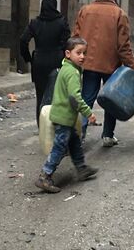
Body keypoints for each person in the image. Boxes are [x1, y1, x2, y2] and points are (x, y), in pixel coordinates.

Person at [73, 0, 134, 147]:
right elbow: (124, 45)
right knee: (111, 100)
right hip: (111, 65)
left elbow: (75, 37)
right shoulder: (119, 14)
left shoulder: (85, 11)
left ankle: (79, 136)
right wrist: (131, 67)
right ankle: (107, 136)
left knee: (86, 99)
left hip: (88, 64)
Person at [35, 37, 98, 193]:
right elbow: (74, 97)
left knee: (74, 142)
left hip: (64, 116)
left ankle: (81, 168)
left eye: (84, 53)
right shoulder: (72, 73)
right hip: (64, 117)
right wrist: (88, 113)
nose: (82, 56)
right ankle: (45, 175)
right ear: (68, 53)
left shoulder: (66, 67)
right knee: (59, 147)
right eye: (79, 53)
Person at [20, 0, 70, 125]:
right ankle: (55, 124)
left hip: (39, 62)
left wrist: (28, 58)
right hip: (57, 61)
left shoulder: (35, 22)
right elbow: (67, 43)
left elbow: (23, 40)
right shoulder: (62, 22)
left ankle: (42, 126)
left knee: (41, 96)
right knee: (57, 94)